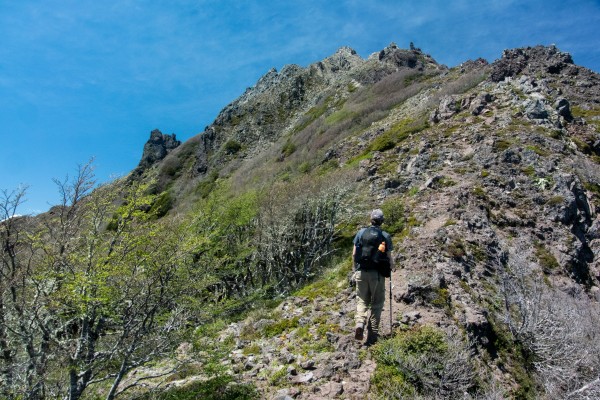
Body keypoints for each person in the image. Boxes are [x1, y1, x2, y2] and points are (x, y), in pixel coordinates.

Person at [352, 209, 394, 345]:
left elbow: (354, 254)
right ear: (382, 221)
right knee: (377, 303)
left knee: (362, 301)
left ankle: (359, 323)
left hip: (361, 272)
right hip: (377, 275)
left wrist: (355, 269)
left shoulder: (361, 233)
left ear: (370, 219)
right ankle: (372, 334)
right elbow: (389, 257)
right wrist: (391, 267)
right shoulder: (385, 236)